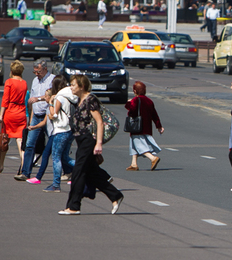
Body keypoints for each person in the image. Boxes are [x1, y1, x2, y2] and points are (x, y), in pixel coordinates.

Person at [60, 74, 124, 215]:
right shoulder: (79, 100)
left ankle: (74, 206)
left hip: (89, 140)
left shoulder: (90, 99)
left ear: (82, 86)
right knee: (91, 172)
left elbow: (99, 122)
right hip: (81, 140)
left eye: (73, 84)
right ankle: (115, 195)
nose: (71, 87)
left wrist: (98, 144)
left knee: (78, 171)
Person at [16, 60, 54, 181]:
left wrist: (38, 98)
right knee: (29, 144)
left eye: (38, 71)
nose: (36, 74)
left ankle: (69, 171)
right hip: (36, 115)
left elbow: (53, 96)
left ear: (44, 69)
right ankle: (25, 172)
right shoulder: (35, 81)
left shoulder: (52, 79)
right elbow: (32, 102)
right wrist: (31, 119)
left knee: (55, 144)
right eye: (34, 72)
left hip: (48, 116)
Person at [0, 60, 28, 174]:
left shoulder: (9, 82)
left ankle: (0, 164)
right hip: (21, 112)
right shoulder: (24, 83)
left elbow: (5, 100)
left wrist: (1, 115)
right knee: (20, 139)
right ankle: (24, 165)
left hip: (10, 111)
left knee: (5, 139)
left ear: (12, 71)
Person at [125, 81, 164, 172]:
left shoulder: (135, 100)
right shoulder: (149, 101)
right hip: (147, 127)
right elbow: (155, 115)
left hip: (137, 127)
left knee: (139, 145)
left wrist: (128, 104)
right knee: (134, 145)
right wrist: (159, 126)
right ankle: (133, 164)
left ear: (135, 91)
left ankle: (152, 158)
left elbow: (132, 111)